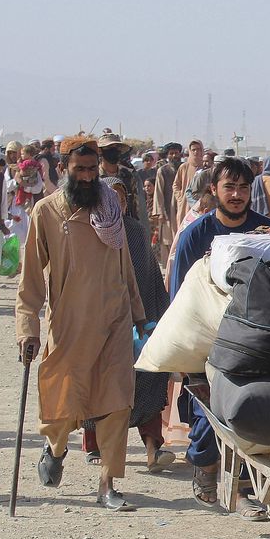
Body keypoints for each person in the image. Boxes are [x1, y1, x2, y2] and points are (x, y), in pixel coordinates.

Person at [16, 136, 146, 511]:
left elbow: (125, 269)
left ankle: (107, 482)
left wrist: (139, 316)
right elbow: (30, 283)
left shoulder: (110, 209)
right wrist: (28, 329)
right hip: (70, 324)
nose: (89, 177)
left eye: (93, 170)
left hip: (115, 321)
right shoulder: (46, 213)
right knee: (62, 400)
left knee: (117, 400)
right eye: (80, 170)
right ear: (63, 169)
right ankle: (55, 447)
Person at [172, 158, 270, 518]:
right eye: (229, 187)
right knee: (209, 411)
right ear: (213, 191)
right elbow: (179, 297)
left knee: (254, 411)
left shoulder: (267, 231)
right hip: (209, 339)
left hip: (256, 340)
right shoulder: (195, 235)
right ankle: (205, 467)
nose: (236, 195)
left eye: (243, 188)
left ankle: (246, 490)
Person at [90, 176, 174, 472]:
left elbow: (151, 276)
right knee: (99, 382)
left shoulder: (137, 232)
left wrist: (162, 317)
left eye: (121, 199)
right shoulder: (86, 232)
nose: (116, 205)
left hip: (140, 321)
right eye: (109, 199)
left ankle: (154, 447)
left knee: (149, 376)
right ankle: (94, 444)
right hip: (100, 324)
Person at [152, 142, 183, 265]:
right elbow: (158, 192)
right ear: (167, 155)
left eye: (176, 152)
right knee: (169, 240)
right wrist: (160, 212)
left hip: (183, 208)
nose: (174, 155)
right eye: (171, 153)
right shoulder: (163, 171)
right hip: (168, 210)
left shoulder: (184, 168)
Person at [172, 139, 204, 230]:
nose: (196, 152)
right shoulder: (184, 167)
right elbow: (176, 185)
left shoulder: (205, 166)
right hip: (185, 204)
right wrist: (180, 198)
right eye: (193, 150)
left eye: (198, 149)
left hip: (200, 203)